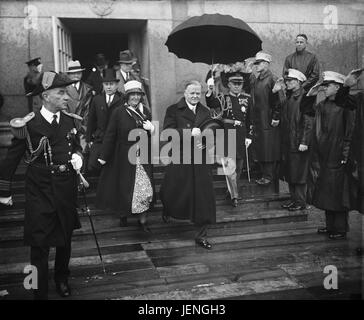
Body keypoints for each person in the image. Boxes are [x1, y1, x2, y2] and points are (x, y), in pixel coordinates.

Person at [0, 71, 83, 299]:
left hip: (66, 188)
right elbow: (11, 160)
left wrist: (78, 156)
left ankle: (62, 279)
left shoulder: (69, 120)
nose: (67, 97)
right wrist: (4, 191)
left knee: (65, 239)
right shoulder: (29, 124)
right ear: (45, 96)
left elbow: (76, 145)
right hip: (40, 190)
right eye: (61, 93)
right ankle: (37, 288)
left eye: (66, 92)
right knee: (39, 245)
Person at [160, 80, 216, 249]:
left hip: (200, 161)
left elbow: (212, 131)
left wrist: (206, 142)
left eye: (198, 93)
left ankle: (201, 235)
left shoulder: (206, 111)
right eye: (192, 93)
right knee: (173, 191)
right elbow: (167, 133)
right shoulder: (173, 110)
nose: (195, 96)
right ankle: (168, 208)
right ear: (184, 93)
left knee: (203, 196)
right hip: (180, 158)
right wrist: (188, 133)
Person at [96, 80, 155, 230]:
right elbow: (110, 134)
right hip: (124, 155)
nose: (135, 97)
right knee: (124, 187)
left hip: (143, 155)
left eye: (138, 94)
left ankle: (143, 221)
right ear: (127, 96)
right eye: (132, 94)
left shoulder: (145, 111)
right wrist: (103, 156)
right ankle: (123, 215)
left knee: (144, 187)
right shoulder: (119, 112)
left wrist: (151, 129)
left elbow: (149, 135)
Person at [312, 71, 356, 240]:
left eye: (327, 85)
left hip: (338, 153)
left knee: (339, 191)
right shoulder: (323, 105)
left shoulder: (345, 106)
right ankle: (330, 225)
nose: (324, 88)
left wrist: (345, 153)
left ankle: (341, 227)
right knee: (327, 190)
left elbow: (350, 130)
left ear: (337, 87)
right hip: (326, 152)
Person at [206, 70, 252, 207]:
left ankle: (231, 190)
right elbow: (211, 103)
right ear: (228, 85)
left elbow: (250, 119)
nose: (237, 86)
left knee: (239, 166)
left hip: (242, 135)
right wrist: (209, 90)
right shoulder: (222, 98)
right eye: (234, 83)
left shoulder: (247, 99)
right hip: (227, 134)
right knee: (229, 166)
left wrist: (249, 136)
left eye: (240, 83)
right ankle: (235, 196)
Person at [279, 69, 315, 211]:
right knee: (291, 173)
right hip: (289, 142)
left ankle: (300, 202)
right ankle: (294, 200)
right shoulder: (290, 97)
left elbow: (308, 122)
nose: (287, 83)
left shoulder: (305, 98)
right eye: (287, 81)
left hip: (299, 143)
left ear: (299, 82)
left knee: (299, 174)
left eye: (291, 81)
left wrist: (305, 141)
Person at [250, 51, 281, 186]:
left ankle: (269, 176)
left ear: (267, 64)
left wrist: (276, 116)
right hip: (259, 118)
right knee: (262, 146)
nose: (256, 65)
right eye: (256, 63)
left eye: (259, 63)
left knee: (268, 147)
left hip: (268, 118)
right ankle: (264, 174)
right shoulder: (258, 79)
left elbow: (279, 100)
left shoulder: (272, 79)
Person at [85, 69, 123, 173]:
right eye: (106, 84)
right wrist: (88, 139)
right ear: (103, 85)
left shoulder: (122, 100)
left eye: (111, 84)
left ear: (116, 85)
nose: (109, 87)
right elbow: (91, 119)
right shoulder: (97, 99)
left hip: (116, 139)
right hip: (100, 138)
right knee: (93, 164)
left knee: (114, 165)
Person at [66, 60, 93, 152]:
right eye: (73, 73)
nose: (76, 75)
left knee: (83, 152)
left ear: (81, 74)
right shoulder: (64, 89)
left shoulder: (88, 88)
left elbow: (89, 110)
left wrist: (84, 126)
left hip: (84, 127)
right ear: (68, 75)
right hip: (68, 125)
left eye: (78, 73)